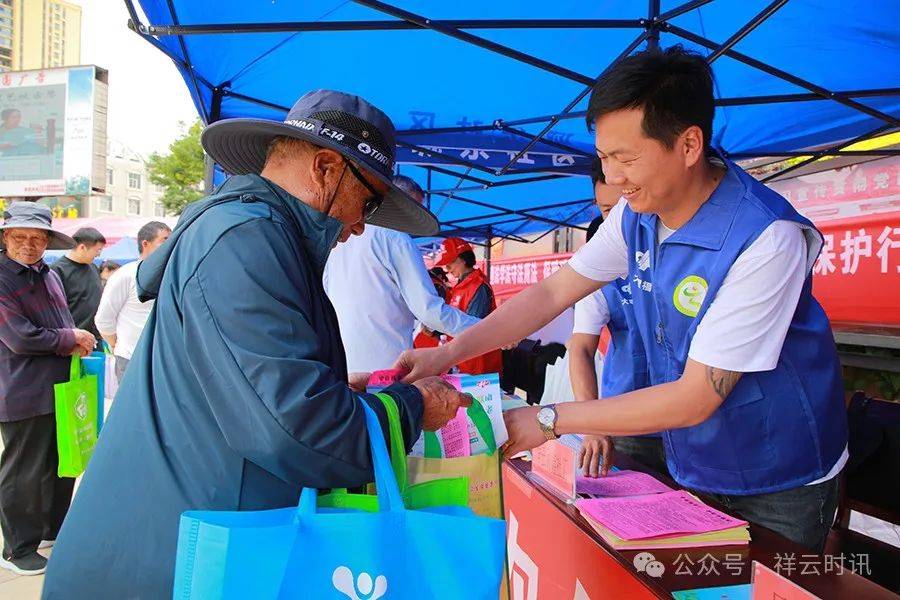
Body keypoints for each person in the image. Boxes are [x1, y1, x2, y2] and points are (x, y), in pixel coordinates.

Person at [396, 47, 848, 553]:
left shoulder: (766, 236)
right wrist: (445, 354)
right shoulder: (636, 216)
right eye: (605, 157)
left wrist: (548, 418)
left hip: (778, 473)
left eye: (626, 158)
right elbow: (552, 292)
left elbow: (697, 395)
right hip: (693, 456)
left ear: (689, 144)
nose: (612, 178)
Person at [42, 90, 471, 599]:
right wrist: (411, 406)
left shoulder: (255, 235)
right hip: (172, 563)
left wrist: (336, 388)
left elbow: (252, 391)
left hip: (196, 540)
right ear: (326, 169)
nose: (359, 227)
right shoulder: (244, 240)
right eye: (369, 202)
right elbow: (298, 431)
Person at [0, 203, 95, 576]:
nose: (29, 245)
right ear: (6, 237)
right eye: (20, 237)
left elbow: (64, 321)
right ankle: (17, 548)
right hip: (22, 389)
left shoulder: (49, 274)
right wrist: (70, 338)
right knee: (23, 470)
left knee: (62, 464)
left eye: (37, 238)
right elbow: (20, 338)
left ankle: (51, 531)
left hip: (61, 388)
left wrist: (73, 339)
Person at [568, 158, 666, 478]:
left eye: (621, 204)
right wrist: (592, 421)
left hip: (692, 422)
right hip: (628, 419)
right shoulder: (599, 265)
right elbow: (581, 346)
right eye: (605, 209)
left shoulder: (676, 250)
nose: (617, 218)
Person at [324, 174, 479, 372]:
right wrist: (490, 330)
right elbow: (429, 310)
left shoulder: (343, 236)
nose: (414, 219)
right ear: (397, 202)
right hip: (385, 366)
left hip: (343, 363)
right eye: (414, 209)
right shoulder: (395, 237)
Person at [94, 221, 170, 381]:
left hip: (164, 360)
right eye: (165, 240)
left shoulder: (171, 276)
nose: (170, 245)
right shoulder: (127, 275)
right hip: (131, 358)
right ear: (145, 243)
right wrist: (117, 344)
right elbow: (103, 319)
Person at [435, 237, 503, 375]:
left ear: (463, 259)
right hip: (463, 361)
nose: (447, 268)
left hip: (479, 365)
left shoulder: (478, 286)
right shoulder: (459, 286)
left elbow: (474, 329)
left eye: (450, 262)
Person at [50, 227, 106, 347]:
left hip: (96, 339)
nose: (99, 254)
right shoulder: (56, 271)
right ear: (82, 247)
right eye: (98, 250)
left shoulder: (93, 268)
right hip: (73, 340)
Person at [414, 267, 452, 349]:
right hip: (431, 331)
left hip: (428, 330)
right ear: (439, 276)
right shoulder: (437, 286)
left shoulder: (427, 282)